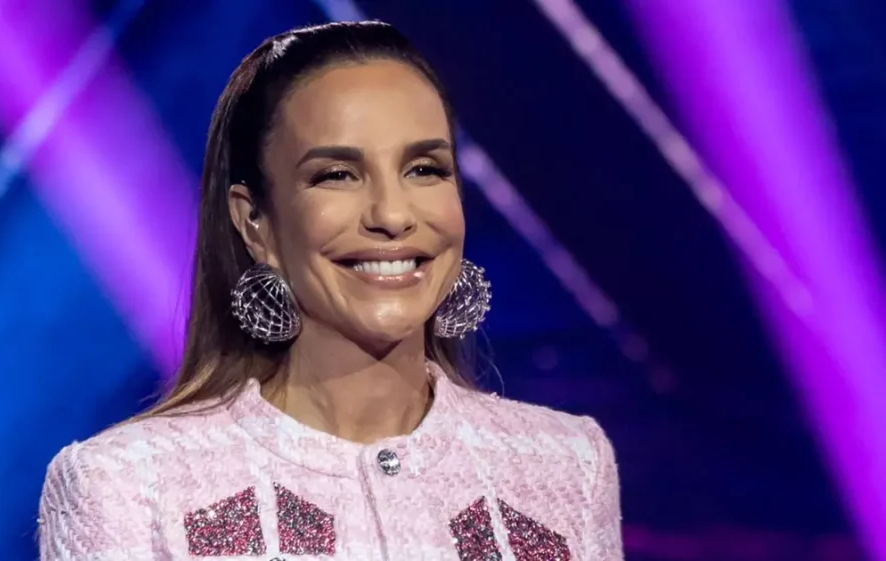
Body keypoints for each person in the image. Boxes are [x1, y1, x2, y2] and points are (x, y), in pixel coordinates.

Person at [37, 20, 621, 560]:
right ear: (254, 222)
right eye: (336, 175)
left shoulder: (569, 465)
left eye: (425, 169)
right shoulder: (129, 486)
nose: (393, 215)